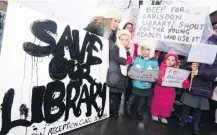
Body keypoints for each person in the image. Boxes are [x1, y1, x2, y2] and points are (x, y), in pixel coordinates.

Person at [177, 32, 217, 135]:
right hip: (192, 85)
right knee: (186, 106)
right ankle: (182, 121)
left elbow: (213, 73)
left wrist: (199, 72)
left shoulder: (215, 59)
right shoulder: (197, 54)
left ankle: (196, 125)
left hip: (204, 88)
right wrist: (191, 68)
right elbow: (186, 65)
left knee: (198, 109)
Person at [151, 52, 190, 124]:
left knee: (168, 103)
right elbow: (156, 78)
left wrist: (185, 81)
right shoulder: (161, 68)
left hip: (171, 90)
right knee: (158, 101)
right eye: (168, 59)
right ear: (165, 59)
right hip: (160, 89)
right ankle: (155, 114)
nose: (170, 61)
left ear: (176, 61)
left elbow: (184, 82)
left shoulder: (179, 70)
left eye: (173, 60)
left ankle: (164, 115)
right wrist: (159, 79)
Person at [126, 40, 159, 121]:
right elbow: (132, 68)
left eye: (147, 49)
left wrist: (156, 76)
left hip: (147, 85)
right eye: (143, 49)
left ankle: (139, 111)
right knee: (132, 96)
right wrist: (130, 72)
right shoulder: (137, 59)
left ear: (151, 51)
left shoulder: (154, 62)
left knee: (142, 98)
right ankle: (128, 109)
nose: (145, 51)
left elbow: (157, 71)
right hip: (136, 83)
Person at [106, 29, 133, 119]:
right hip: (114, 76)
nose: (124, 41)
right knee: (111, 95)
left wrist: (130, 64)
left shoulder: (128, 51)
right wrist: (126, 61)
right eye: (122, 39)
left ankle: (115, 111)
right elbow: (114, 57)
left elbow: (129, 64)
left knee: (118, 96)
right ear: (119, 39)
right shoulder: (115, 47)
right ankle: (108, 111)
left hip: (122, 78)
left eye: (126, 40)